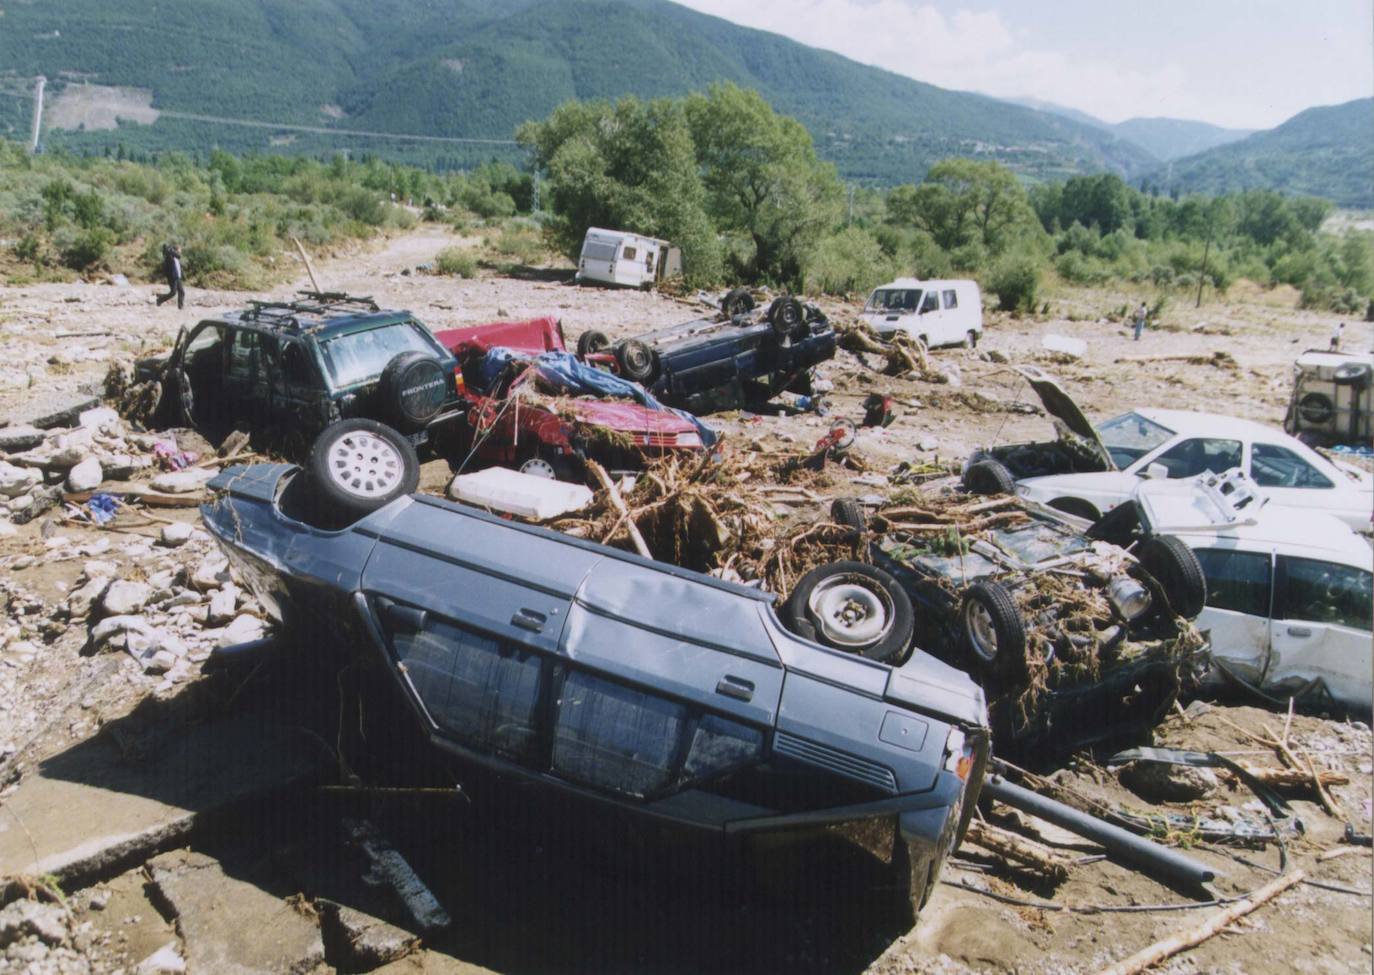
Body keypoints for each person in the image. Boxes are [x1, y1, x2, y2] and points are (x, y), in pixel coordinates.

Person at [156, 243, 185, 309]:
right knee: (173, 293)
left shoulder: (176, 258)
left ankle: (180, 307)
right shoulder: (170, 257)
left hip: (178, 277)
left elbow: (178, 267)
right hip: (172, 277)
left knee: (181, 292)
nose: (181, 251)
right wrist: (170, 250)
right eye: (180, 249)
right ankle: (160, 299)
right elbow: (167, 253)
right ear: (176, 250)